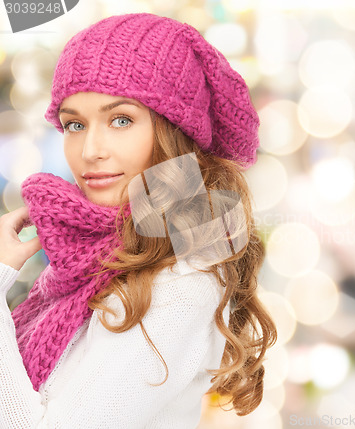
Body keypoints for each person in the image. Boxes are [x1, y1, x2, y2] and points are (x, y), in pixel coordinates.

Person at [0, 12, 277, 428]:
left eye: (121, 120)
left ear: (173, 130)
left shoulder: (183, 278)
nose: (90, 149)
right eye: (74, 124)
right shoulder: (92, 257)